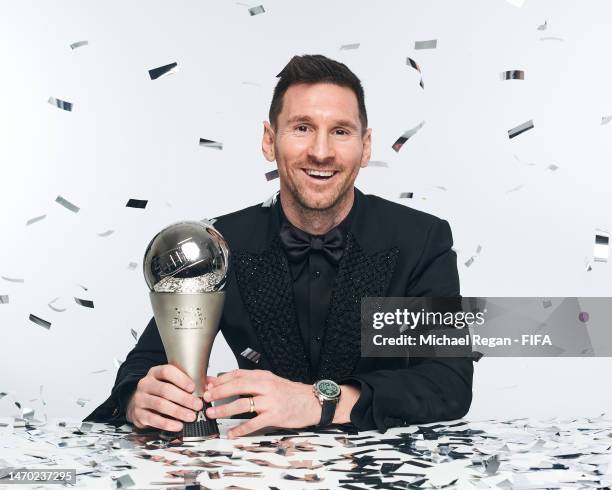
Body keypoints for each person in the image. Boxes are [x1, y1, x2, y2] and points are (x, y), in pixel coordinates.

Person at [84, 54, 473, 438]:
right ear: (269, 141)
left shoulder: (421, 239)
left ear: (366, 146)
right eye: (302, 128)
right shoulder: (219, 244)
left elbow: (448, 383)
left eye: (340, 131)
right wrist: (139, 398)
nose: (321, 151)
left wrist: (318, 402)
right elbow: (141, 370)